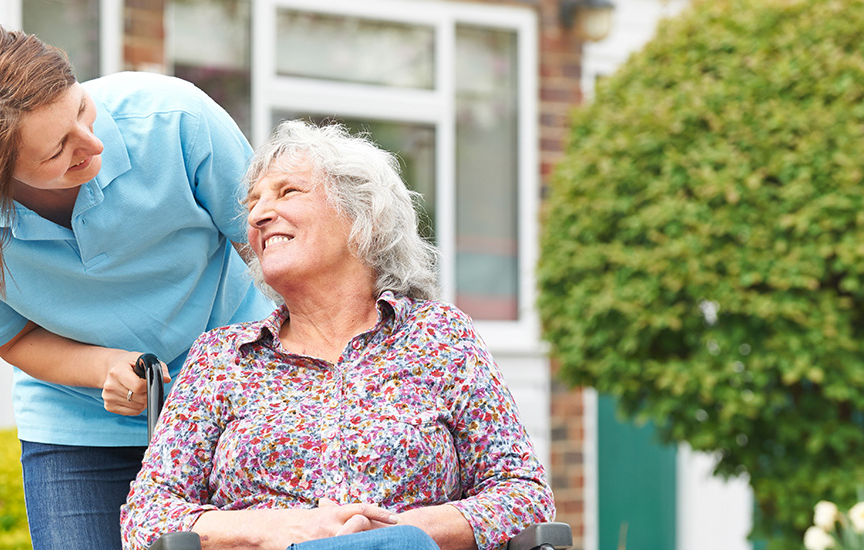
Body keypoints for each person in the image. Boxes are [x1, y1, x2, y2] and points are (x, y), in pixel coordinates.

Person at [0, 19, 274, 549]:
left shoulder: (176, 120)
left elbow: (273, 250)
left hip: (238, 401)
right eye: (56, 152)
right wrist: (104, 369)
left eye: (80, 108)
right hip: (79, 429)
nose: (92, 143)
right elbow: (13, 338)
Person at [120, 120, 555, 550]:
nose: (257, 214)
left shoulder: (439, 337)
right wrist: (285, 530)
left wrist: (392, 533)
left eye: (288, 191)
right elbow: (147, 514)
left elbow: (524, 496)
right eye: (253, 203)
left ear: (362, 213)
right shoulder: (222, 357)